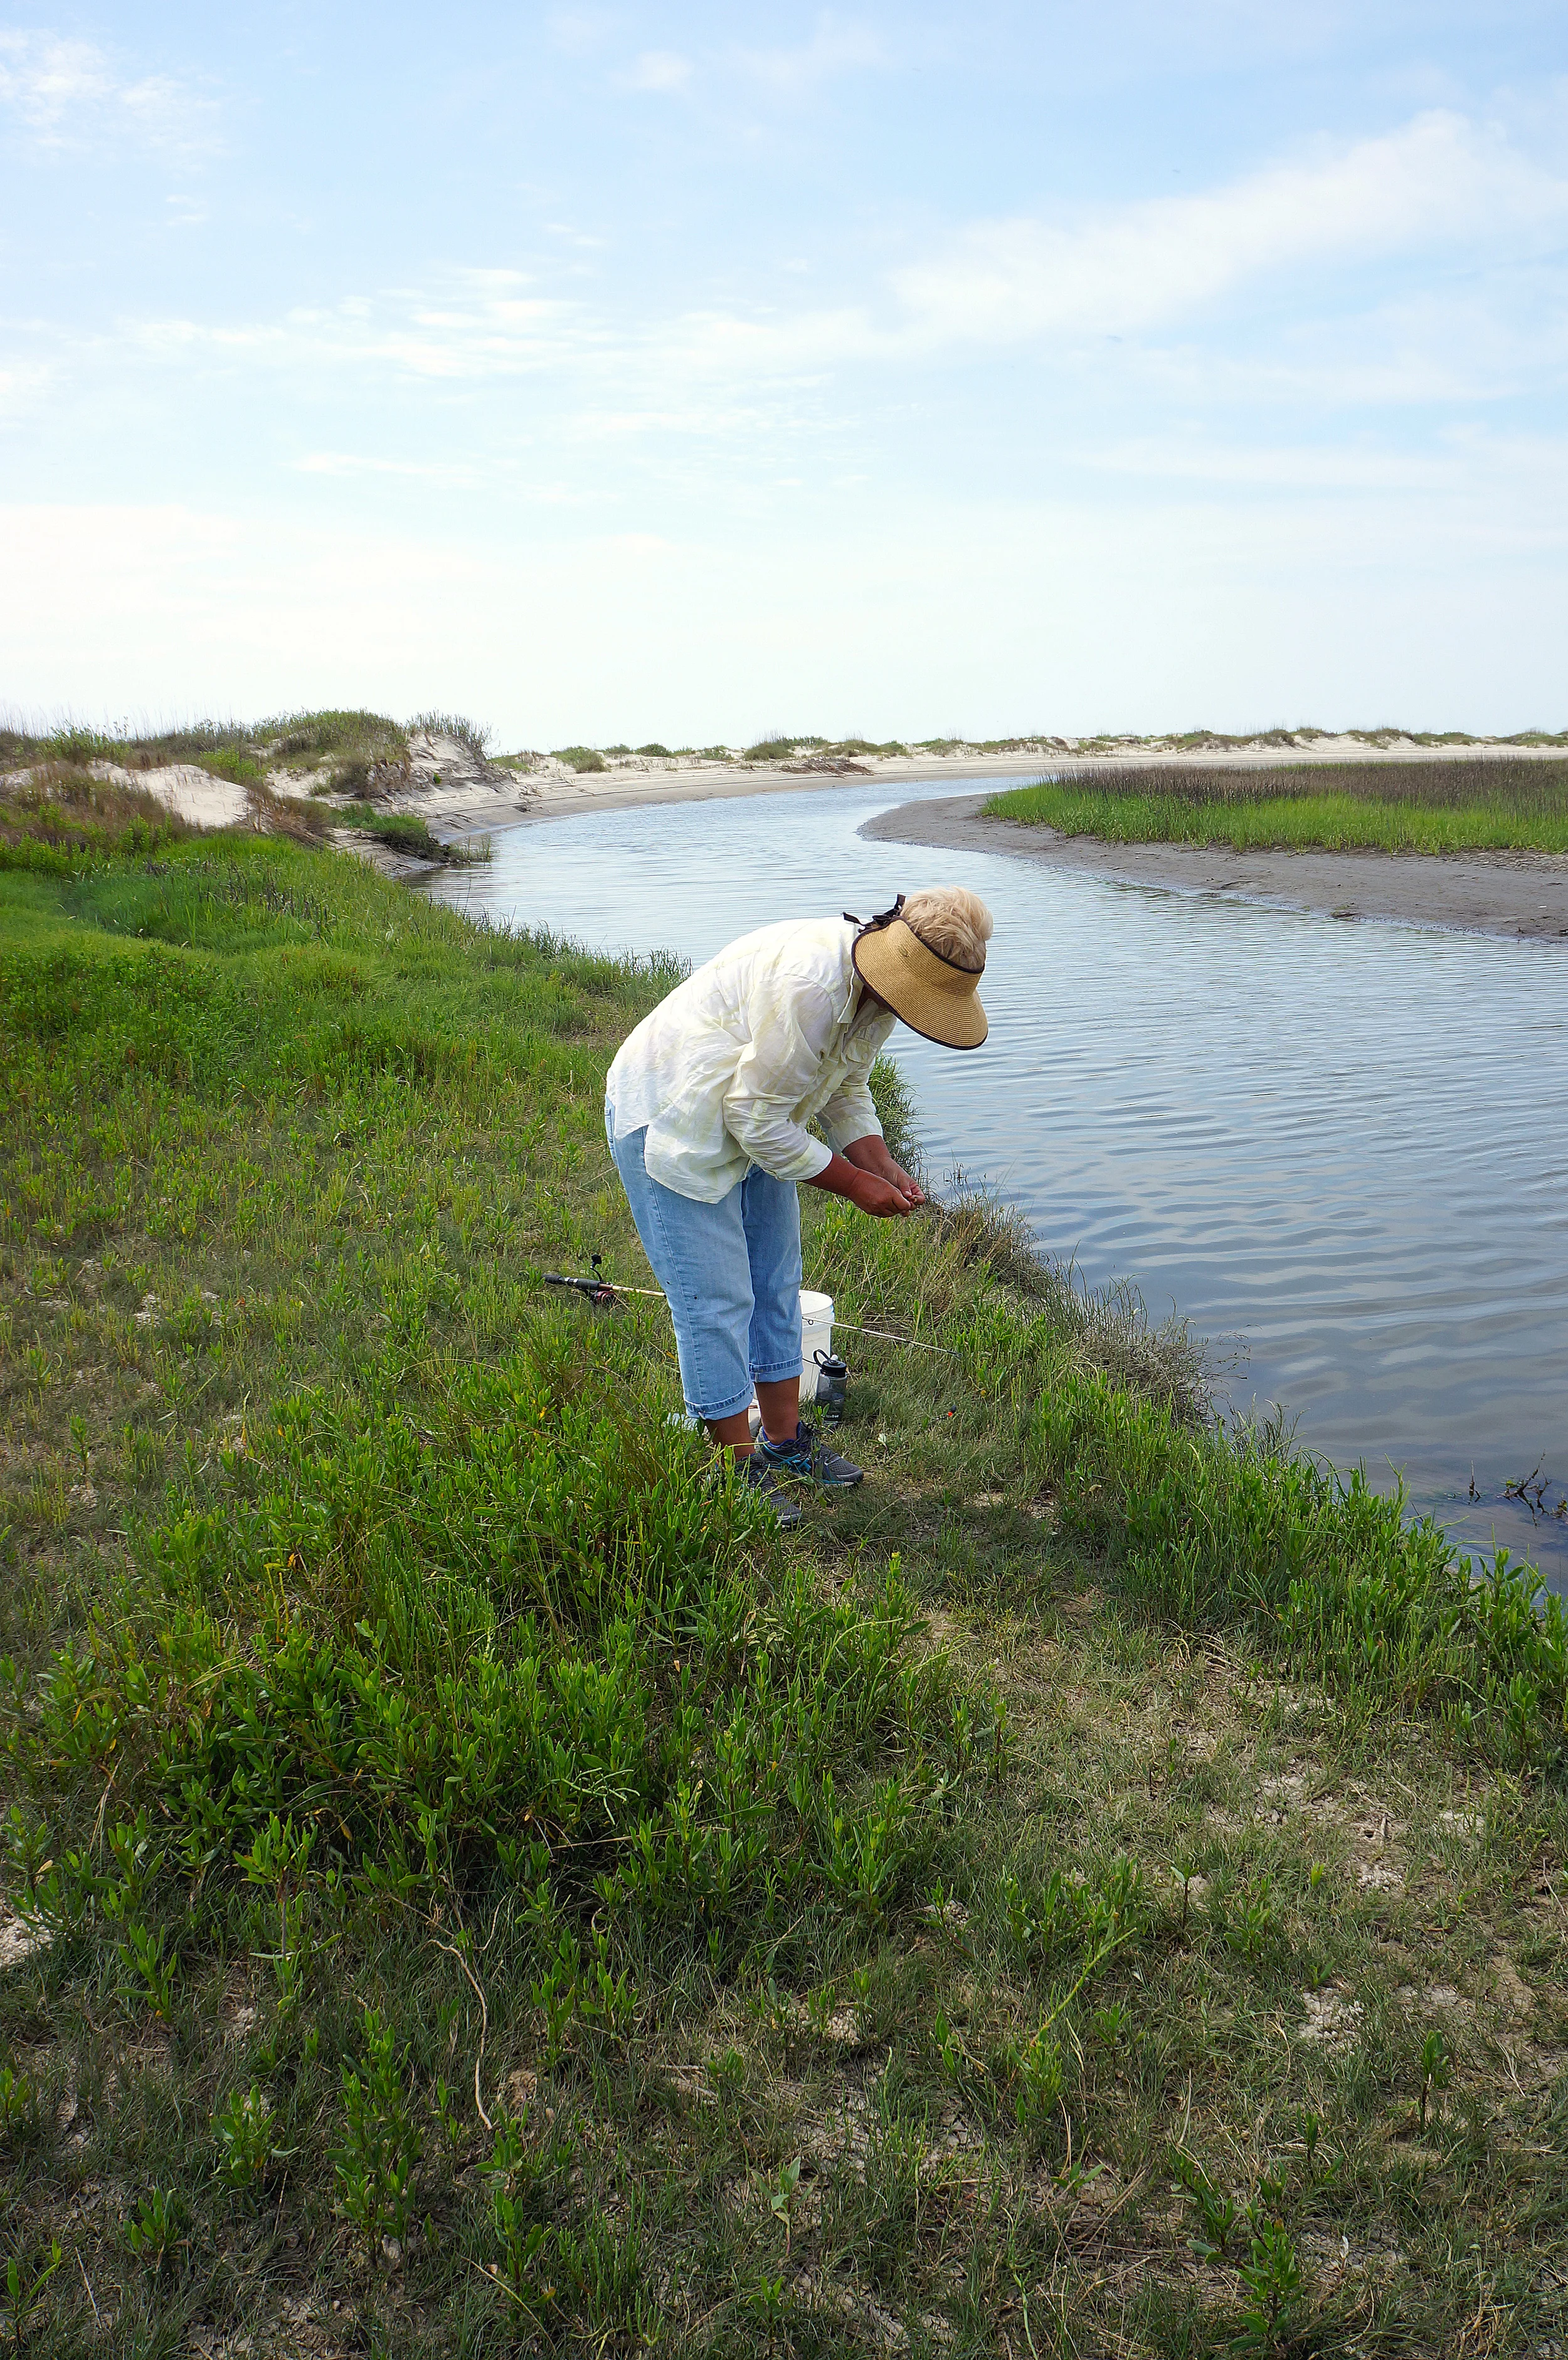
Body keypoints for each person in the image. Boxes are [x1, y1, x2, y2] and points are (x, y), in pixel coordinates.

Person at [604, 886, 993, 1524]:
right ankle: (731, 1472)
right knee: (714, 1303)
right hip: (674, 1115)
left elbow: (846, 1088)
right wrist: (850, 1183)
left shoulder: (881, 989)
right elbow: (751, 1119)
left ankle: (782, 1442)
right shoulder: (812, 984)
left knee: (775, 1285)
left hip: (756, 1116)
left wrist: (879, 1162)